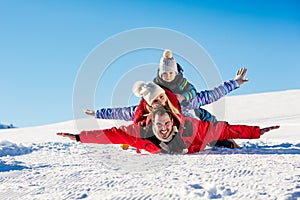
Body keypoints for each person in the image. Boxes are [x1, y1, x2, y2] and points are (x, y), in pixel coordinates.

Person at [58, 105, 280, 154]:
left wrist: (257, 131)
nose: (163, 129)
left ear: (173, 122)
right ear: (151, 125)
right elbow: (110, 135)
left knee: (217, 138)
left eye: (166, 124)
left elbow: (226, 129)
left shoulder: (192, 128)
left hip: (199, 141)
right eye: (158, 125)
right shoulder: (139, 132)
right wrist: (79, 137)